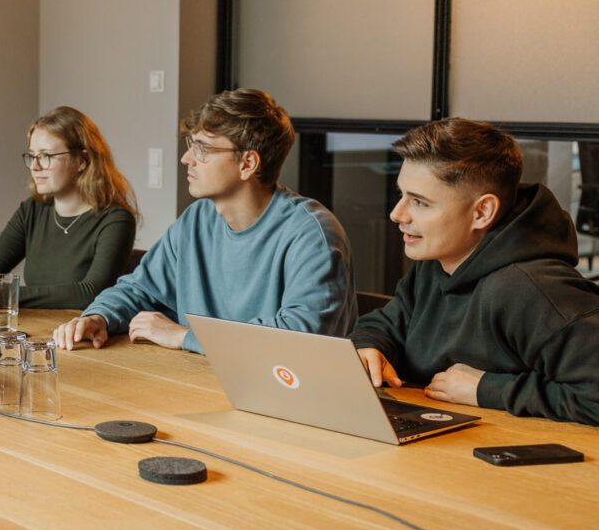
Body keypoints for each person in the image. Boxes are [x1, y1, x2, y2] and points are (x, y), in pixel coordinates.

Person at [54, 89, 355, 353]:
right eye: (191, 145)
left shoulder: (312, 233)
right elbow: (139, 289)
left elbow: (301, 337)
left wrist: (185, 336)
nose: (187, 159)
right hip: (201, 384)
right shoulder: (197, 220)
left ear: (248, 163)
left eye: (204, 149)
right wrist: (99, 317)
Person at [351, 119, 599, 425]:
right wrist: (369, 345)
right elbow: (388, 322)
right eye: (401, 195)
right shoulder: (437, 263)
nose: (397, 214)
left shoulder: (530, 289)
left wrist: (489, 390)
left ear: (482, 212)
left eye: (419, 202)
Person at [0, 106, 138, 309]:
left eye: (46, 156)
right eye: (32, 156)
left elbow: (91, 292)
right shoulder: (32, 210)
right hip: (35, 329)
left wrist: (2, 293)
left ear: (82, 161)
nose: (34, 166)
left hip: (82, 334)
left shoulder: (116, 220)